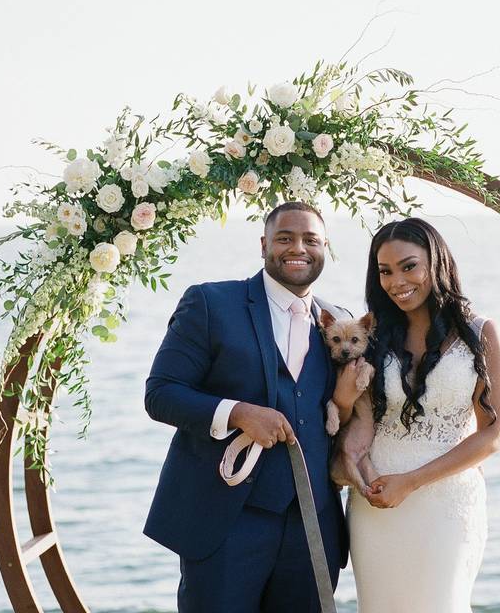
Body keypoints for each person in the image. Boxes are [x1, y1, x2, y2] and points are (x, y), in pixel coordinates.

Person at [142, 201, 364, 613]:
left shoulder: (341, 324)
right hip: (224, 522)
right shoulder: (211, 303)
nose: (298, 247)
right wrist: (238, 412)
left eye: (310, 240)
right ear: (264, 245)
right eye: (285, 238)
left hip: (311, 526)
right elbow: (161, 393)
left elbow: (342, 419)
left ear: (324, 248)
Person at [339, 217, 500, 613]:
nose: (397, 281)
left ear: (436, 263)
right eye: (385, 271)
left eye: (409, 266)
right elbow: (352, 410)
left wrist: (412, 482)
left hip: (446, 502)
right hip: (376, 498)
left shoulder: (481, 333)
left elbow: (495, 434)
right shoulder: (373, 335)